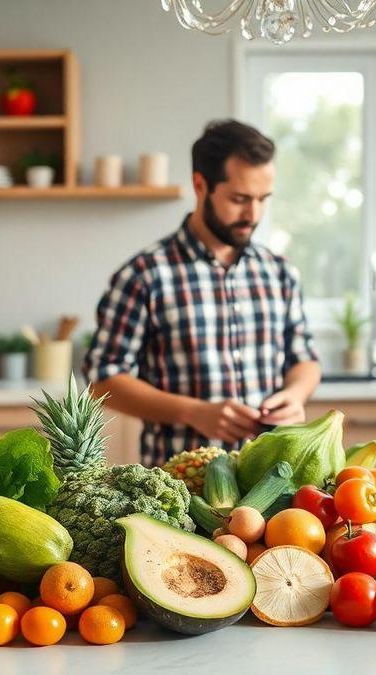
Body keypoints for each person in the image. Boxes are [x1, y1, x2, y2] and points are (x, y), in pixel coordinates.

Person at [83, 119, 321, 466]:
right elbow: (102, 380)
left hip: (271, 482)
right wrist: (193, 412)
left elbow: (304, 359)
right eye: (239, 199)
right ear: (200, 185)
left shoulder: (279, 271)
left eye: (262, 199)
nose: (253, 214)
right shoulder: (145, 275)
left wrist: (295, 396)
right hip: (179, 490)